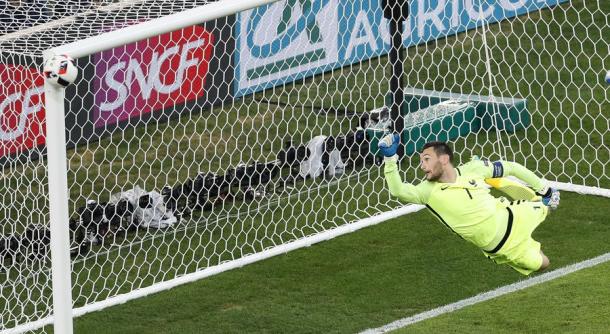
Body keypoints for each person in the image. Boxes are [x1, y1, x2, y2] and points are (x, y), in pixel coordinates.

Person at [378, 134, 560, 275]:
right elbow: (398, 191)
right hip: (501, 247)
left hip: (512, 216)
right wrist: (390, 159)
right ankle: (534, 225)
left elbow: (511, 167)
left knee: (548, 205)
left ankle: (543, 201)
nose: (422, 166)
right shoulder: (426, 192)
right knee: (543, 264)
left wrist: (543, 188)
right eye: (421, 161)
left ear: (444, 159)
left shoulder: (473, 170)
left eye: (426, 159)